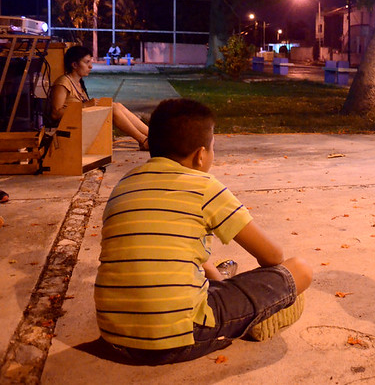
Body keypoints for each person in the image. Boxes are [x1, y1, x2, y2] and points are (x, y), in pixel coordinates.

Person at [94, 98, 313, 364]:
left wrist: (217, 281)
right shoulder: (204, 186)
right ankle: (251, 318)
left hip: (113, 338)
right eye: (213, 149)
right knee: (299, 269)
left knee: (199, 265)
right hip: (180, 339)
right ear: (200, 155)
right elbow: (272, 256)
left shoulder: (124, 185)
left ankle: (232, 303)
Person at [49, 45, 150, 150]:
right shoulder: (63, 83)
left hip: (82, 122)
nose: (91, 66)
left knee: (116, 105)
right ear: (74, 65)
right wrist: (84, 105)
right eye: (86, 62)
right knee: (113, 109)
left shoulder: (78, 83)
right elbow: (56, 114)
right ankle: (143, 140)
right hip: (71, 127)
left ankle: (153, 135)